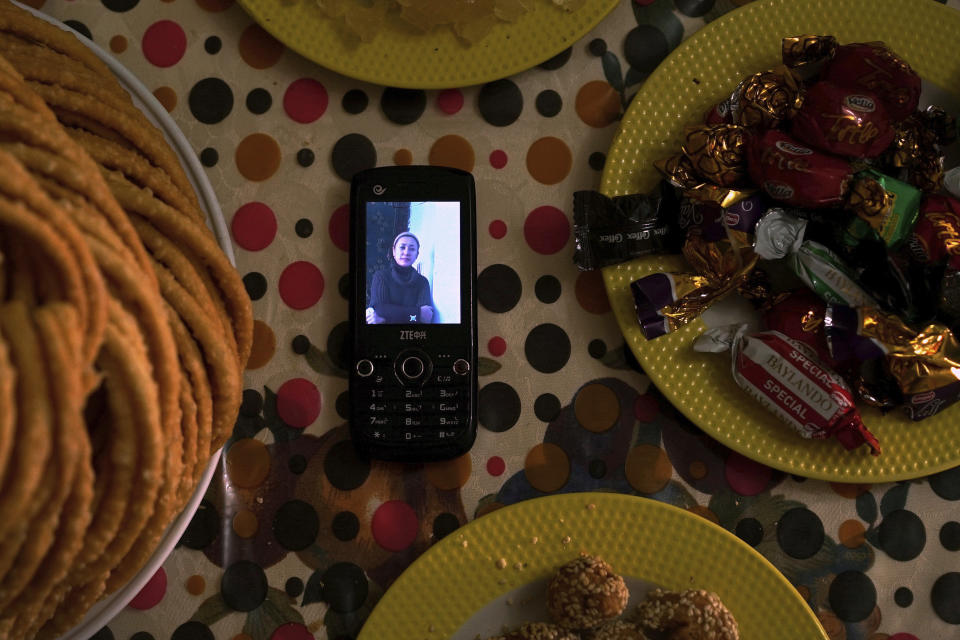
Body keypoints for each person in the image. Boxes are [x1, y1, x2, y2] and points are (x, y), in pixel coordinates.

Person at [366, 232, 434, 324]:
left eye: (412, 249)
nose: (406, 252)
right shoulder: (381, 276)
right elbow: (379, 310)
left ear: (417, 255)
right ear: (394, 251)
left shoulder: (422, 282)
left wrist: (387, 318)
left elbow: (425, 318)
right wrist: (417, 313)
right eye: (402, 247)